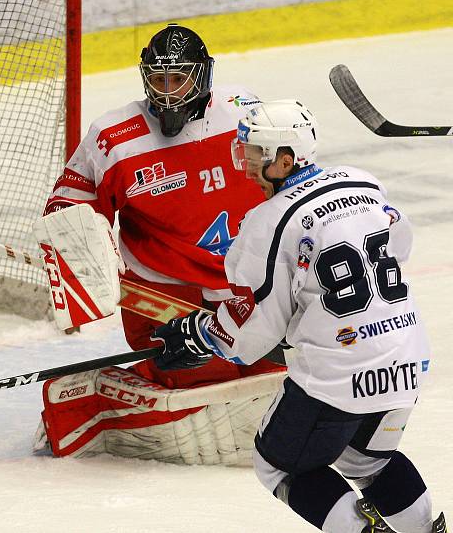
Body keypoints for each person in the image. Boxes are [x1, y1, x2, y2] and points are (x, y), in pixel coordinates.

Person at [151, 99, 446, 532]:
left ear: (284, 160)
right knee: (367, 459)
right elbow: (398, 245)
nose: (246, 165)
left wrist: (202, 335)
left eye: (254, 155)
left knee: (278, 464)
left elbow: (254, 327)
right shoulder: (364, 184)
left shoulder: (269, 220)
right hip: (406, 359)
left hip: (339, 374)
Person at [31, 23, 285, 465]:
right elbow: (67, 206)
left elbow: (288, 178)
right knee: (199, 375)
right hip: (163, 291)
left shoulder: (245, 111)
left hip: (245, 280)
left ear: (202, 77)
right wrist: (86, 271)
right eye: (158, 80)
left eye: (178, 79)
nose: (166, 93)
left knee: (284, 369)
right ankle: (96, 401)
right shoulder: (114, 138)